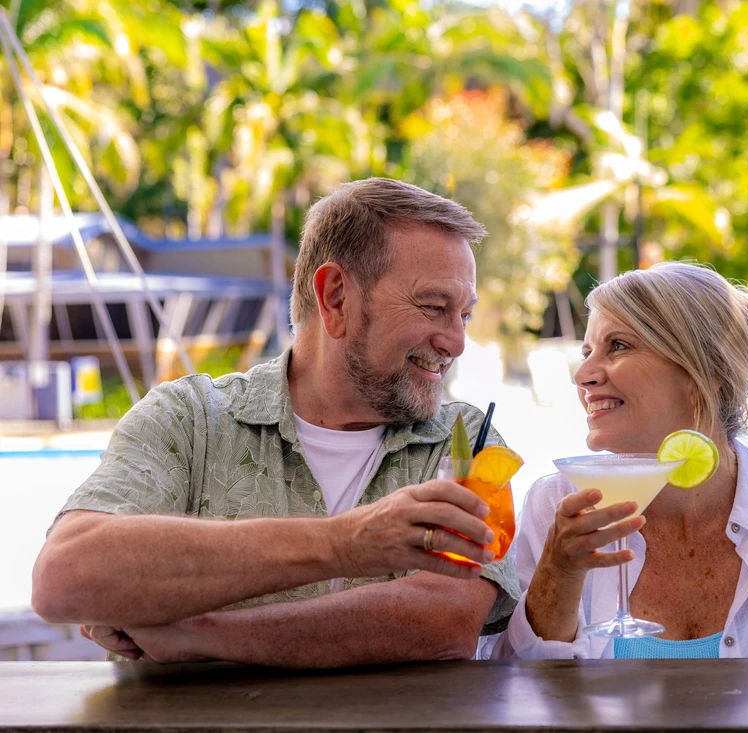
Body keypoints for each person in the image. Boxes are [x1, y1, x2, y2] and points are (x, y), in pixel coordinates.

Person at [32, 178, 519, 668]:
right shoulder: (190, 418)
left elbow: (446, 623)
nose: (456, 342)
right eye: (434, 307)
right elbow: (65, 579)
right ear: (335, 298)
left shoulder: (465, 441)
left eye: (465, 314)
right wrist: (351, 543)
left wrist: (195, 634)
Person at [489, 262, 748, 659]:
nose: (583, 375)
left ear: (704, 374)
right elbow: (509, 688)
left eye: (617, 346)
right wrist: (558, 573)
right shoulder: (560, 504)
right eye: (587, 351)